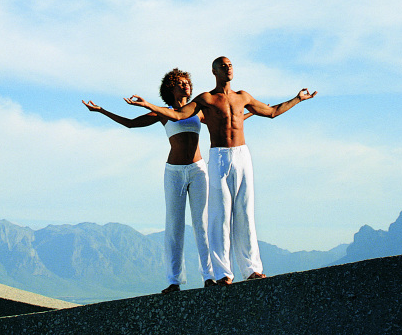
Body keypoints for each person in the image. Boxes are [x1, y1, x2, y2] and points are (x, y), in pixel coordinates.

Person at [125, 56, 316, 285]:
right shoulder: (206, 99)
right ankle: (222, 273)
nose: (228, 68)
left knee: (245, 212)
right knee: (220, 215)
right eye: (223, 66)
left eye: (230, 65)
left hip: (242, 155)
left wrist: (298, 99)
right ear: (214, 72)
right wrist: (147, 105)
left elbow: (272, 111)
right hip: (218, 157)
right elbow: (177, 115)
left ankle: (252, 269)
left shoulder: (242, 96)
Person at [82, 69, 219, 293]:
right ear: (170, 88)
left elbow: (226, 119)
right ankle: (174, 281)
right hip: (174, 172)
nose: (186, 86)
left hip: (197, 170)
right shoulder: (162, 112)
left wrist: (249, 112)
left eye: (187, 83)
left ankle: (210, 276)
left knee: (202, 224)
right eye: (180, 83)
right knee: (174, 226)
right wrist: (101, 111)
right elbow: (130, 123)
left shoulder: (199, 111)